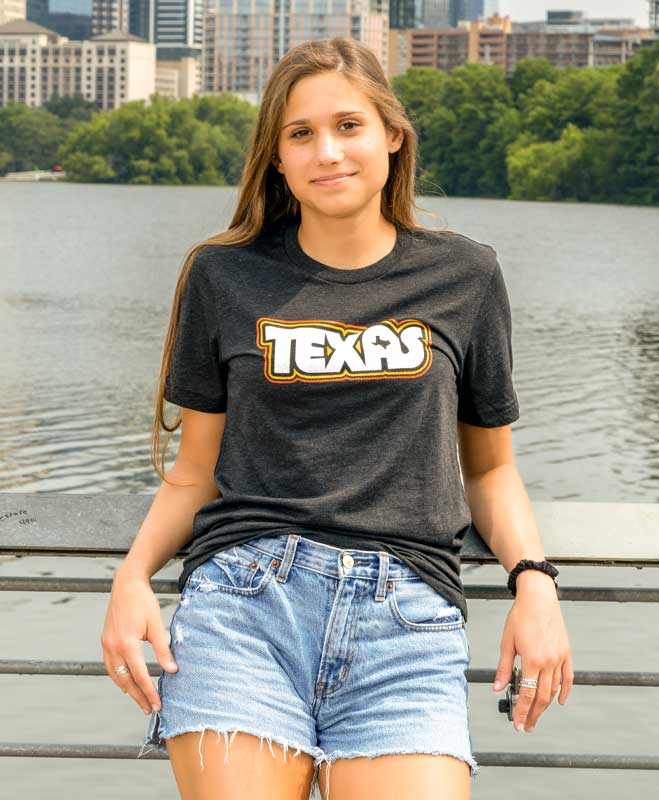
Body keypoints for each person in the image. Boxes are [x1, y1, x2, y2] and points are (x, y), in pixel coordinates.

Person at [100, 36, 573, 800]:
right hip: (245, 612)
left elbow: (489, 468)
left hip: (408, 624)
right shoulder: (223, 275)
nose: (328, 151)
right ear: (278, 158)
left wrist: (535, 583)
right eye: (301, 134)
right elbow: (194, 475)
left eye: (348, 126)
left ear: (392, 134)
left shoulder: (464, 275)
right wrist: (130, 578)